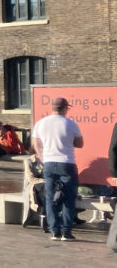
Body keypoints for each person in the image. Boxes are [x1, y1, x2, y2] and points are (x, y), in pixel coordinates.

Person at [32, 96, 84, 241]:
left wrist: (42, 158)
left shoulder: (40, 123)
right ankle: (66, 232)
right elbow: (80, 144)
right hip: (67, 163)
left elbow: (36, 144)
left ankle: (55, 231)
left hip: (48, 163)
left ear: (52, 108)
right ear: (65, 108)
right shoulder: (70, 124)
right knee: (68, 198)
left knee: (50, 198)